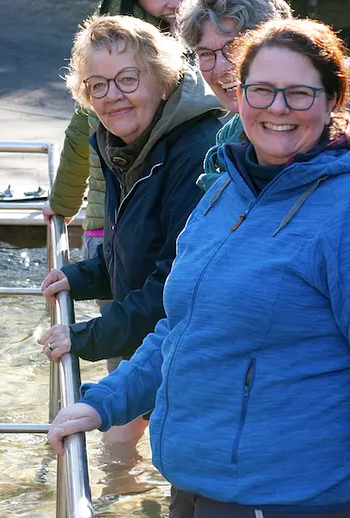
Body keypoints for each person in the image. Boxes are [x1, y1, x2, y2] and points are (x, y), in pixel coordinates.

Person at [49, 18, 350, 518]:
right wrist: (106, 401)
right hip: (205, 473)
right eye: (261, 90)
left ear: (332, 100)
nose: (277, 108)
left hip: (283, 490)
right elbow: (183, 327)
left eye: (299, 93)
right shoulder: (228, 188)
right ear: (240, 94)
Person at [37, 15, 224, 444]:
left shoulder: (194, 152)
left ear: (162, 79)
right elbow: (135, 244)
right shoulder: (119, 140)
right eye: (97, 85)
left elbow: (173, 285)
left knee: (146, 454)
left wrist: (85, 336)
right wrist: (83, 275)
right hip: (153, 341)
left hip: (188, 347)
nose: (112, 97)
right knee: (115, 450)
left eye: (126, 79)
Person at [43, 0, 181, 280]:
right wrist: (62, 203)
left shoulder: (207, 31)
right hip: (108, 225)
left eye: (127, 79)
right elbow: (81, 130)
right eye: (100, 85)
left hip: (161, 227)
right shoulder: (105, 40)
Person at [176, 0, 293, 191]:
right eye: (205, 54)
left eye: (234, 48)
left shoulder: (304, 135)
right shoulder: (226, 141)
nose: (221, 68)